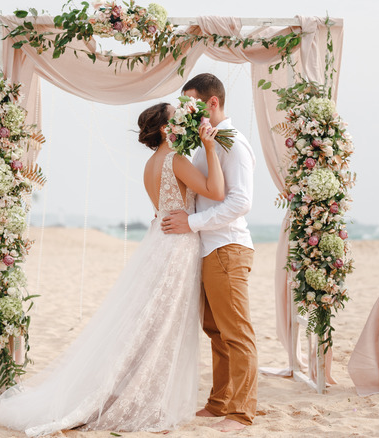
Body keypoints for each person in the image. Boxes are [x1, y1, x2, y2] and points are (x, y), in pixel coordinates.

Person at [0, 102, 225, 437]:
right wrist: (210, 147)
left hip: (160, 242)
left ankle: (128, 389)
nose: (184, 121)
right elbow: (216, 191)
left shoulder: (151, 164)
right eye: (178, 118)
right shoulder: (176, 160)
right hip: (176, 248)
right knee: (162, 327)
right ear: (164, 129)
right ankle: (139, 397)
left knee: (149, 324)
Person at [161, 73, 258, 433]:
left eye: (192, 103)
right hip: (207, 248)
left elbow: (241, 202)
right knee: (215, 331)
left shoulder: (234, 144)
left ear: (212, 103)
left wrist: (194, 222)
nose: (187, 110)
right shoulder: (206, 144)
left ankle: (242, 411)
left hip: (227, 247)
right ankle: (220, 402)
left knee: (236, 332)